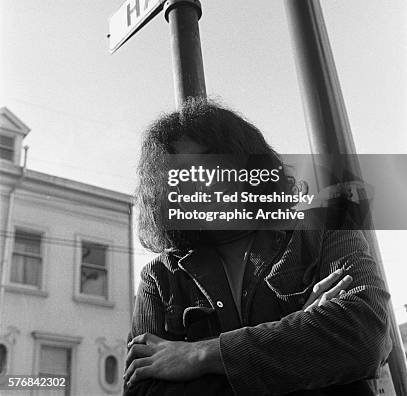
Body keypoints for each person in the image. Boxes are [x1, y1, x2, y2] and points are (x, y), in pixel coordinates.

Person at [123, 98, 391, 395]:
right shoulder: (160, 278)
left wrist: (199, 355)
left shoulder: (322, 230)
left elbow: (365, 337)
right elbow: (144, 390)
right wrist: (301, 334)